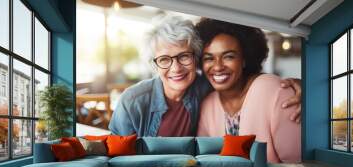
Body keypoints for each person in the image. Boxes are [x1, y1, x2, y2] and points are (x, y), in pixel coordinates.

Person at [109, 16, 301, 138]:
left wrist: (297, 86)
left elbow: (243, 79)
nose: (176, 68)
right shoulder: (132, 102)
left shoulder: (204, 87)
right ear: (154, 64)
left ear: (196, 58)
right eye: (165, 59)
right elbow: (117, 156)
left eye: (184, 56)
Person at [196, 18, 301, 163]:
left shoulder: (272, 90)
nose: (218, 66)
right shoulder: (208, 104)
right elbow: (207, 161)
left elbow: (299, 165)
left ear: (244, 59)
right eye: (209, 58)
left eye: (228, 57)